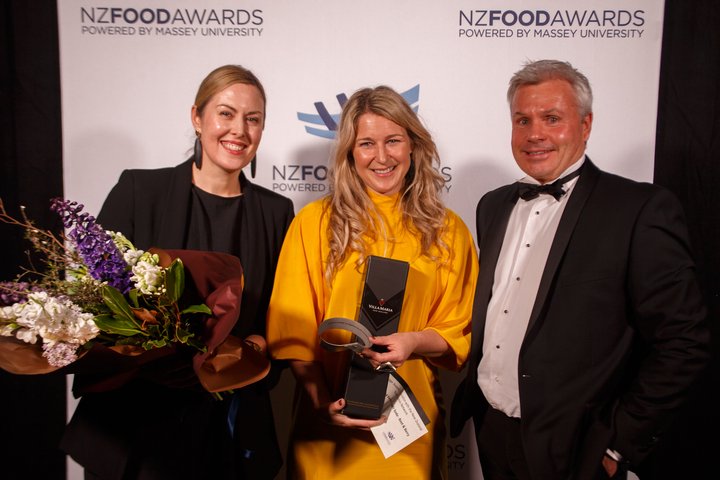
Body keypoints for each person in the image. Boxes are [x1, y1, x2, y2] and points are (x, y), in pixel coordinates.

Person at [450, 59, 710, 480]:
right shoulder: (493, 206)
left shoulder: (638, 209)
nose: (535, 134)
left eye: (552, 118)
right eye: (522, 120)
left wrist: (619, 443)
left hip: (578, 446)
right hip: (492, 431)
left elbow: (683, 340)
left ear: (586, 125)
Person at [60, 64, 295, 480]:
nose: (239, 130)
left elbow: (280, 319)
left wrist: (249, 350)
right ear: (197, 117)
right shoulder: (139, 191)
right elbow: (93, 302)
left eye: (253, 119)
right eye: (226, 113)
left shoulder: (277, 213)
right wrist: (142, 352)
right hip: (132, 431)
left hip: (226, 430)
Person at [266, 85, 478, 479]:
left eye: (393, 140)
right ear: (350, 152)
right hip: (329, 432)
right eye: (366, 143)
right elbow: (293, 331)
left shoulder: (449, 231)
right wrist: (321, 403)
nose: (382, 156)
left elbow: (457, 330)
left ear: (413, 146)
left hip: (407, 433)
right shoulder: (314, 223)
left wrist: (413, 341)